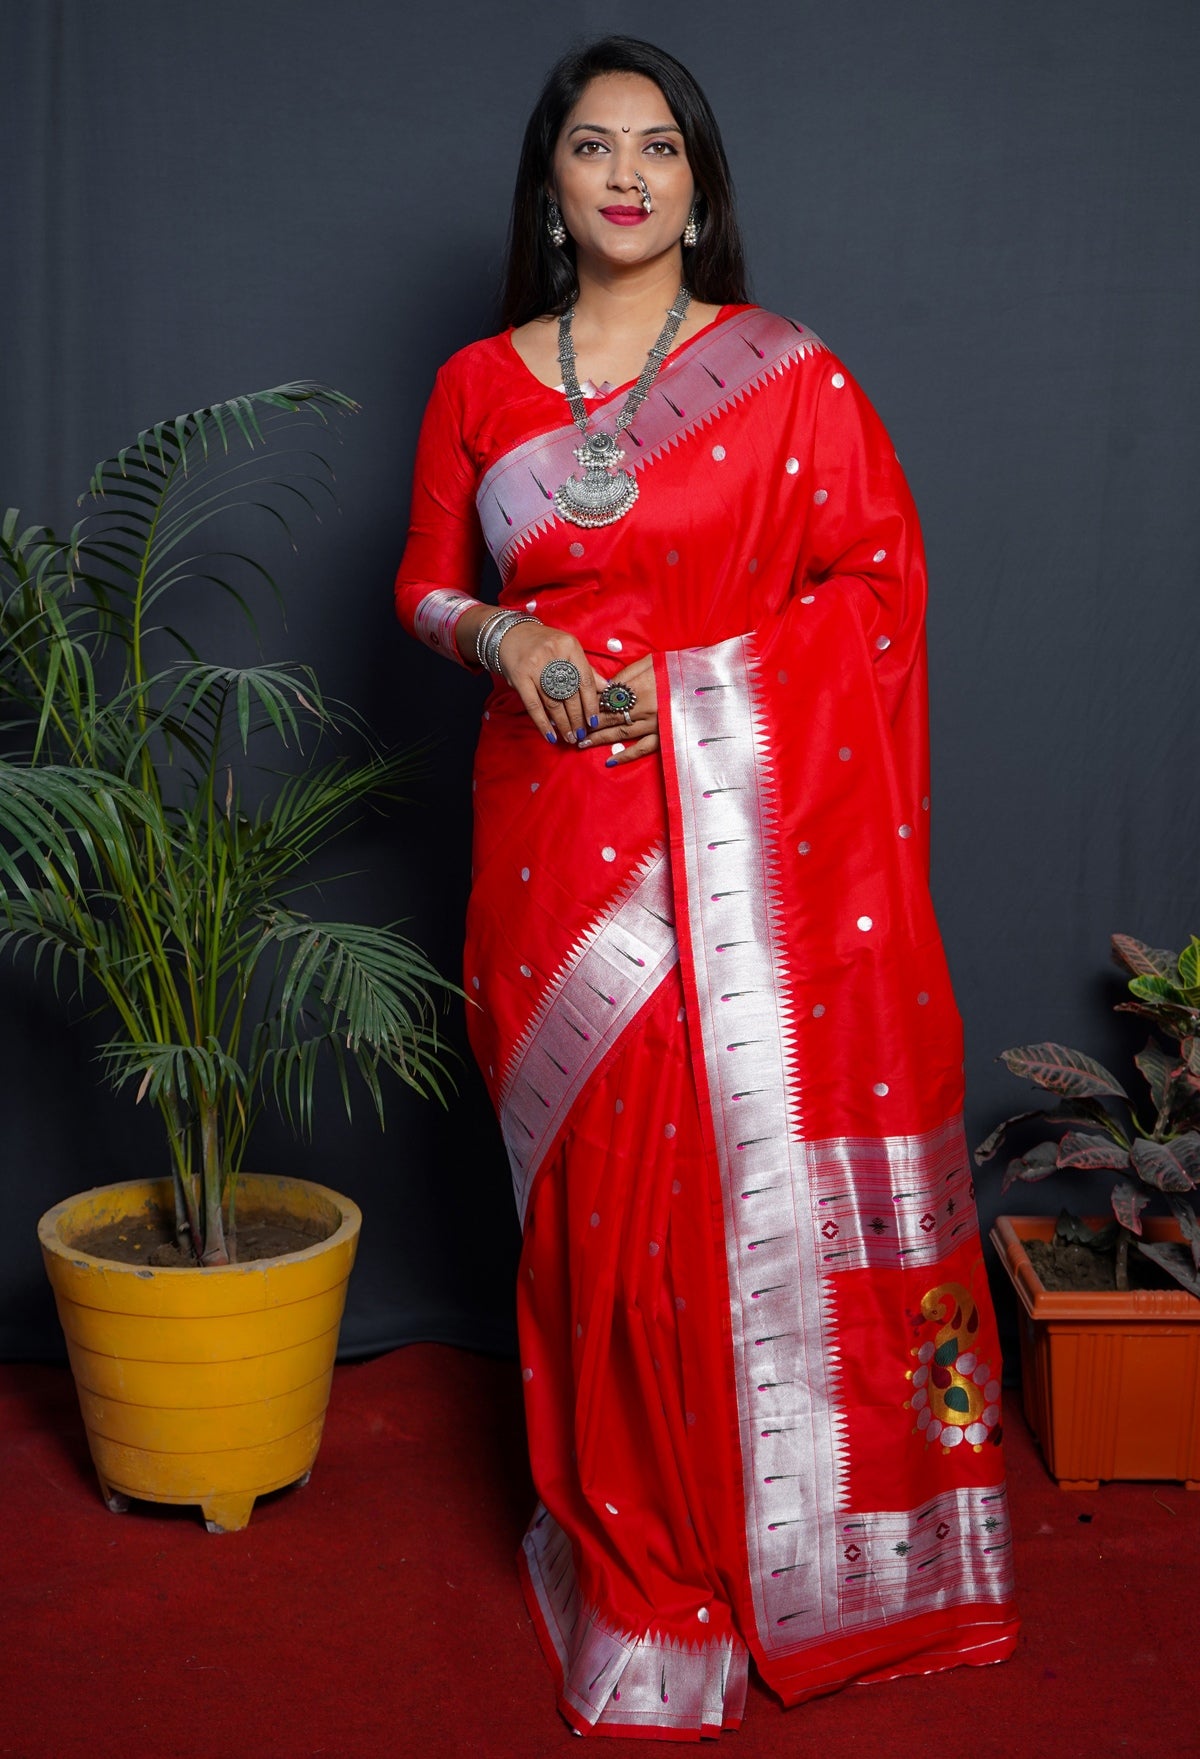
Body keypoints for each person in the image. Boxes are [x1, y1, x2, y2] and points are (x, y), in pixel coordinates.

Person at [394, 35, 1019, 1741]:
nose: (625, 175)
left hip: (740, 841)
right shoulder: (479, 383)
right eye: (593, 147)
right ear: (549, 182)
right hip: (549, 843)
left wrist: (687, 697)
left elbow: (875, 589)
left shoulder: (785, 377)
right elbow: (422, 589)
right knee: (605, 1206)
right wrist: (503, 629)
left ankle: (792, 1548)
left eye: (657, 149)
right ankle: (640, 1556)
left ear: (697, 184)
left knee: (716, 1178)